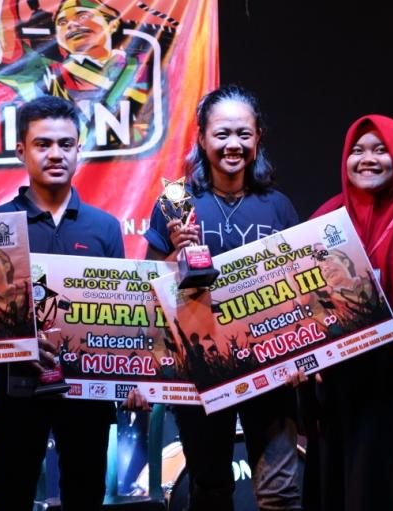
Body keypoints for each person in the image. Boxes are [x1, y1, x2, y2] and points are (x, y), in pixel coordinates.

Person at [144, 85, 302, 510]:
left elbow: (299, 287)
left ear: (258, 137)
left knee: (281, 492)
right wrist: (176, 255)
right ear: (201, 138)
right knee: (210, 490)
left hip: (270, 367)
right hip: (201, 371)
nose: (234, 144)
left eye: (244, 134)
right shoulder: (176, 203)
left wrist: (300, 357)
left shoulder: (278, 206)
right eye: (222, 134)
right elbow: (150, 289)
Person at [0, 95, 125, 511]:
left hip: (88, 393)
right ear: (21, 151)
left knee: (86, 498)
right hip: (16, 390)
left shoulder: (105, 228)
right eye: (42, 144)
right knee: (10, 498)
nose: (55, 154)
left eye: (65, 144)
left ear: (79, 149)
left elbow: (120, 315)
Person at [304, 115, 393, 511]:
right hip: (342, 379)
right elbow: (304, 299)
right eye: (357, 151)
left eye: (380, 150)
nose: (367, 159)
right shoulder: (326, 217)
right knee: (346, 484)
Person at [0, 0, 152, 141]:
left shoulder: (143, 66)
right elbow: (9, 60)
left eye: (82, 15)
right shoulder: (50, 74)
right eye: (62, 22)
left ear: (113, 24)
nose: (72, 25)